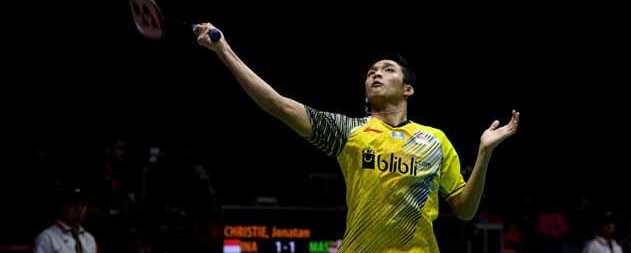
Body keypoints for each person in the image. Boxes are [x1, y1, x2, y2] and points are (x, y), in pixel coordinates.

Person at [192, 23, 520, 252]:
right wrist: (224, 50)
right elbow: (277, 104)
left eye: (387, 69)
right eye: (371, 72)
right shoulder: (349, 132)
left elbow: (464, 210)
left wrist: (484, 154)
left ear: (408, 90)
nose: (376, 73)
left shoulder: (435, 140)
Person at [34, 186, 98, 253]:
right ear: (62, 206)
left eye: (83, 204)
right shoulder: (47, 238)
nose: (79, 209)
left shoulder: (89, 238)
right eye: (74, 204)